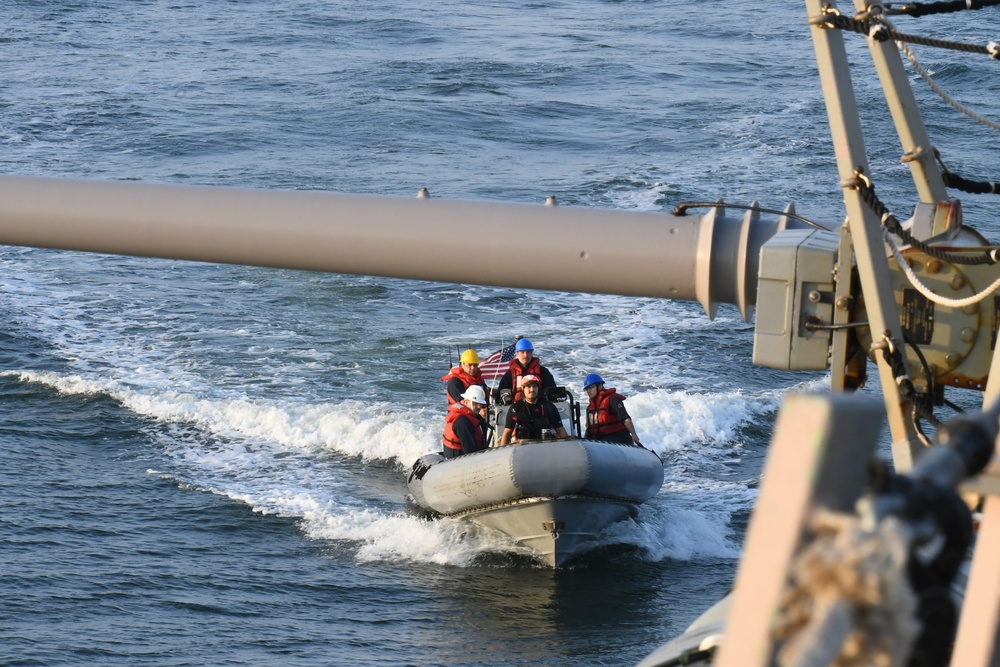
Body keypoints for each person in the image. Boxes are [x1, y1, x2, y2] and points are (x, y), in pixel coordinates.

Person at [499, 375, 568, 445]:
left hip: (545, 447)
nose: (532, 389)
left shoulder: (549, 407)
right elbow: (507, 432)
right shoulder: (515, 408)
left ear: (538, 388)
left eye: (534, 386)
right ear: (523, 388)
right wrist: (501, 452)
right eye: (528, 387)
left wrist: (568, 447)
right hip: (522, 448)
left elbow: (560, 429)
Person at [583, 373, 642, 447]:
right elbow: (589, 429)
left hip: (619, 438)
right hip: (601, 441)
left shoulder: (612, 400)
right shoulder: (589, 408)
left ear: (600, 386)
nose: (588, 391)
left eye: (591, 387)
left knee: (601, 443)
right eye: (587, 389)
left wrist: (634, 435)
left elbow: (625, 419)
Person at [495, 338, 557, 403]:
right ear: (517, 354)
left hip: (540, 407)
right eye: (522, 352)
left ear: (532, 353)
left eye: (528, 352)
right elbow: (501, 396)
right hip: (517, 408)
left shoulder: (543, 371)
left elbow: (552, 392)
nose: (525, 355)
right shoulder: (509, 374)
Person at [442, 385, 489, 459]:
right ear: (466, 402)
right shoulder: (463, 422)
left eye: (480, 404)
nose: (479, 407)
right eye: (475, 403)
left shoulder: (468, 417)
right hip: (457, 461)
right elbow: (470, 452)